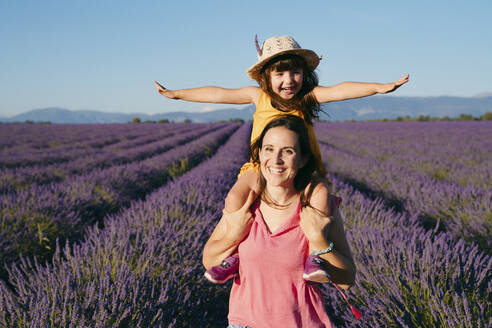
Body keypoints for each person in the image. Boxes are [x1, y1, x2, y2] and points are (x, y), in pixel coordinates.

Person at [154, 35, 409, 283]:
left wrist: (378, 88)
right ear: (266, 76)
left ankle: (315, 258)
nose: (288, 80)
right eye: (280, 73)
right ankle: (232, 258)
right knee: (234, 198)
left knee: (320, 197)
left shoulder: (307, 97)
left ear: (304, 74)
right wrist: (177, 94)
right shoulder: (259, 96)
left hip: (303, 167)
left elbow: (340, 90)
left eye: (295, 73)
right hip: (260, 167)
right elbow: (218, 94)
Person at [203, 115, 356, 327]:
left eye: (288, 151)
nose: (276, 160)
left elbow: (347, 280)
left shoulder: (316, 208)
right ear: (258, 153)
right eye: (269, 149)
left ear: (302, 159)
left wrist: (319, 241)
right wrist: (233, 234)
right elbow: (209, 260)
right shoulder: (247, 204)